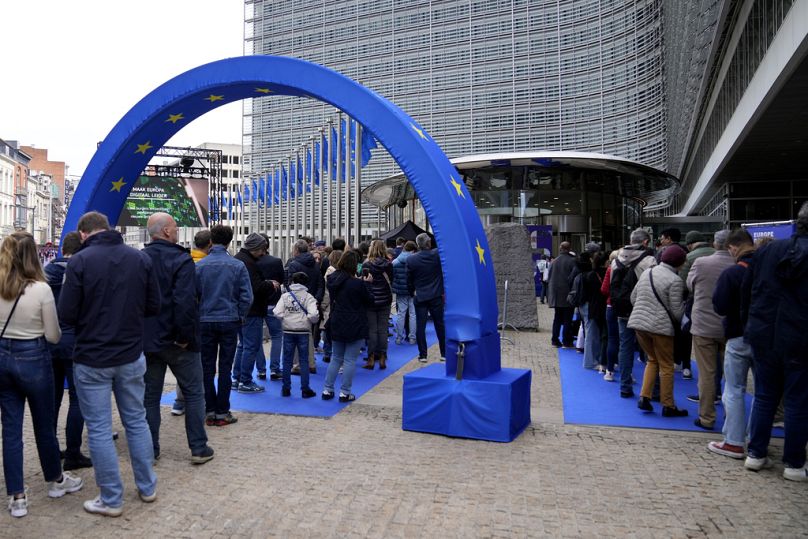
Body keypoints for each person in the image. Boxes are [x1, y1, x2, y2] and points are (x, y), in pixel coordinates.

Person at [58, 211, 159, 516]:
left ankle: (112, 499)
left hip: (92, 357)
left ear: (84, 234)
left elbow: (66, 315)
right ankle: (147, 486)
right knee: (136, 421)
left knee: (100, 429)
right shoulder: (139, 259)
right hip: (130, 354)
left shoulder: (79, 262)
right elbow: (154, 306)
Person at [1, 232, 83, 518]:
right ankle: (55, 480)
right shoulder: (40, 289)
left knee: (11, 430)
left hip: (3, 357)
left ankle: (17, 496)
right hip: (34, 356)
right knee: (43, 424)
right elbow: (52, 334)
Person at [742, 201, 808, 481]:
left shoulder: (768, 250)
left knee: (765, 396)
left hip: (764, 332)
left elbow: (749, 290)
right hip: (799, 337)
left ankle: (756, 454)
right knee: (797, 401)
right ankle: (793, 463)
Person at [141, 213, 213, 464]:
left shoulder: (141, 258)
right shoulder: (181, 259)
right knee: (194, 393)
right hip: (179, 341)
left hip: (149, 340)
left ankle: (150, 449)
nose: (178, 229)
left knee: (149, 396)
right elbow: (185, 301)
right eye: (175, 226)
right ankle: (198, 447)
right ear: (166, 232)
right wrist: (184, 337)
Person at [195, 225, 253, 427]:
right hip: (229, 320)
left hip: (205, 320)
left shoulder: (200, 266)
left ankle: (209, 410)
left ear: (211, 240)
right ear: (230, 240)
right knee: (226, 368)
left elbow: (193, 296)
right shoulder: (237, 266)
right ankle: (222, 411)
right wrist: (240, 316)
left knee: (207, 368)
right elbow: (247, 297)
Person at [45, 231, 91, 471]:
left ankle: (50, 448)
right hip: (76, 342)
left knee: (52, 399)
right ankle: (73, 452)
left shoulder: (44, 273)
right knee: (77, 399)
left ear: (63, 249)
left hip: (50, 342)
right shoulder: (83, 272)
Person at [708, 229, 755, 459]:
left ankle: (734, 442)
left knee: (734, 389)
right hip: (768, 336)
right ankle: (756, 444)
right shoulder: (769, 269)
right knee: (764, 393)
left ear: (733, 247)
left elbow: (720, 306)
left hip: (738, 335)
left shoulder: (733, 273)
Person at [629, 244, 688, 417]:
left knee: (652, 360)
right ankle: (668, 405)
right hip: (660, 327)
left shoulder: (648, 272)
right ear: (680, 262)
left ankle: (644, 397)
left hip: (639, 323)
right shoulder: (675, 280)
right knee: (667, 365)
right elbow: (677, 312)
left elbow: (633, 297)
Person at [686, 230, 734, 430]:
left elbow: (689, 285)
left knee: (706, 373)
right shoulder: (738, 265)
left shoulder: (701, 263)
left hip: (704, 324)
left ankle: (706, 417)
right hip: (731, 326)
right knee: (733, 375)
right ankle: (733, 421)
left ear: (715, 244)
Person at [322, 251, 374, 402]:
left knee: (336, 357)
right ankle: (345, 392)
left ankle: (327, 389)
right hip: (355, 322)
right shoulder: (358, 284)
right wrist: (368, 284)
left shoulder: (332, 280)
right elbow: (370, 300)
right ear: (354, 266)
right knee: (350, 360)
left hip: (337, 319)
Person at [610, 229, 656, 398]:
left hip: (622, 308)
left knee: (625, 346)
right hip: (643, 308)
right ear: (645, 242)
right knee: (651, 350)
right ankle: (653, 389)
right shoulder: (649, 260)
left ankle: (625, 386)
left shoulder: (617, 260)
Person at [234, 233, 277, 393]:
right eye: (262, 249)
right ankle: (245, 381)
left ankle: (237, 378)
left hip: (241, 310)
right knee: (251, 346)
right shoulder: (249, 263)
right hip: (252, 311)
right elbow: (255, 288)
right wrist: (270, 285)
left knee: (242, 345)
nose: (264, 253)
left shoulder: (239, 258)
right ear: (255, 248)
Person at [274, 272, 319, 398]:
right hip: (303, 332)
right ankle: (305, 389)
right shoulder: (308, 296)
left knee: (287, 360)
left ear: (292, 281)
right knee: (304, 361)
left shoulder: (285, 296)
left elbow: (277, 312)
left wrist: (286, 319)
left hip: (288, 331)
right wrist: (308, 320)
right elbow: (314, 315)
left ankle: (286, 388)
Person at [406, 233, 446, 362]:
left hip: (420, 296)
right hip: (436, 296)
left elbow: (409, 280)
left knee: (420, 326)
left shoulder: (411, 259)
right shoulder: (437, 255)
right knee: (440, 325)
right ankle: (444, 353)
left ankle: (423, 355)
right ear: (429, 243)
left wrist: (412, 292)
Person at [285, 239, 323, 374]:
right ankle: (311, 363)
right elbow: (320, 284)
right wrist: (316, 300)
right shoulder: (316, 264)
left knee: (295, 335)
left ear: (296, 250)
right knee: (309, 335)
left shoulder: (293, 264)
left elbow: (289, 285)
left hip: (297, 303)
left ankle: (298, 365)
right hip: (312, 302)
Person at [255, 234, 284, 381]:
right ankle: (274, 368)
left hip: (256, 304)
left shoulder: (251, 262)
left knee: (257, 339)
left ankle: (260, 370)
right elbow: (281, 280)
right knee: (277, 336)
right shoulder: (276, 261)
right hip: (273, 303)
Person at [362, 239, 394, 369]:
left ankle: (370, 357)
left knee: (372, 330)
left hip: (370, 299)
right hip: (385, 299)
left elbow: (364, 282)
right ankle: (382, 357)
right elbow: (391, 280)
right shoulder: (388, 264)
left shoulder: (367, 264)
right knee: (382, 329)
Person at [547, 242, 578, 348]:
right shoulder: (573, 261)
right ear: (569, 249)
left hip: (556, 295)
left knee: (557, 318)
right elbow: (574, 278)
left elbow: (549, 278)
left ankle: (554, 340)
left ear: (560, 249)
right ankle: (566, 341)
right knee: (567, 319)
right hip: (568, 294)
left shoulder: (554, 262)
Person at [582, 251, 608, 371]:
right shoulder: (604, 274)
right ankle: (591, 361)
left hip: (591, 306)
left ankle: (592, 360)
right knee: (594, 334)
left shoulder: (589, 274)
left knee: (592, 334)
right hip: (599, 306)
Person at [392, 241, 417, 345]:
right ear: (412, 250)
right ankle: (412, 338)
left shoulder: (395, 262)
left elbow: (393, 277)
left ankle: (398, 337)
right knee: (413, 314)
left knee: (401, 314)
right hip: (412, 291)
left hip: (401, 291)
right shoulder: (415, 261)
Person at [320, 249, 343, 363]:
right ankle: (336, 352)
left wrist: (323, 305)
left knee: (327, 328)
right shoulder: (345, 272)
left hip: (330, 305)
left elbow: (327, 292)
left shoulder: (329, 272)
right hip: (341, 304)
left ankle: (327, 352)